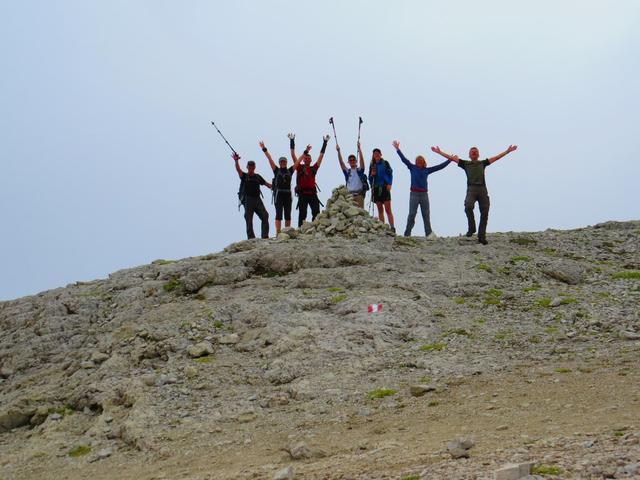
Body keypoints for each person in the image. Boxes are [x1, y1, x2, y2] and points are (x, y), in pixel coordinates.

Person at [431, 144, 518, 245]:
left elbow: (497, 157)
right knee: (468, 206)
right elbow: (451, 158)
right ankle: (472, 228)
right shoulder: (465, 163)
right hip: (471, 189)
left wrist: (508, 151)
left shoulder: (483, 163)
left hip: (482, 189)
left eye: (475, 151)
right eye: (472, 152)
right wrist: (439, 152)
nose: (474, 153)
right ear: (469, 155)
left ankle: (482, 237)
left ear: (478, 154)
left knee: (485, 212)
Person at [392, 140, 453, 237]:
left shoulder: (427, 170)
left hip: (424, 195)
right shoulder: (412, 167)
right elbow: (404, 159)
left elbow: (439, 167)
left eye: (420, 161)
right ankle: (407, 233)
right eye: (417, 161)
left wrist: (449, 160)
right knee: (412, 214)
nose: (418, 162)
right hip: (414, 194)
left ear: (423, 162)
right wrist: (397, 149)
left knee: (426, 215)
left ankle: (428, 233)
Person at [290, 133, 329, 226]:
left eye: (309, 158)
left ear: (311, 160)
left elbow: (321, 156)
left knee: (316, 212)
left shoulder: (313, 169)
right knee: (302, 214)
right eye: (305, 158)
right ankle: (300, 230)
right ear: (303, 160)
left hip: (312, 194)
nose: (307, 159)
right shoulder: (299, 168)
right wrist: (292, 141)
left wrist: (325, 143)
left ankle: (314, 229)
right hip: (302, 194)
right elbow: (293, 155)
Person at [233, 152, 272, 239]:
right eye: (249, 166)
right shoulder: (244, 176)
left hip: (257, 199)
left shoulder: (258, 177)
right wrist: (236, 161)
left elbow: (267, 184)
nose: (251, 167)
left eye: (252, 166)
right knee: (249, 219)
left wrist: (275, 186)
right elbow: (238, 170)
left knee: (265, 216)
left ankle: (265, 236)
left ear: (254, 167)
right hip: (248, 200)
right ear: (247, 167)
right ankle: (251, 238)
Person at [259, 140, 293, 234]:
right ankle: (278, 232)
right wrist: (264, 149)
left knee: (288, 214)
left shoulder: (290, 170)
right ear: (279, 163)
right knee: (278, 213)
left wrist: (305, 152)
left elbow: (298, 162)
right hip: (278, 194)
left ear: (286, 162)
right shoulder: (276, 170)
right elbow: (270, 159)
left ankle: (287, 232)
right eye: (281, 162)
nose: (283, 163)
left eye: (284, 161)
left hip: (287, 194)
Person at [368, 147, 395, 232]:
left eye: (378, 153)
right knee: (380, 209)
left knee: (388, 209)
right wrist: (372, 175)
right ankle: (383, 228)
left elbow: (390, 173)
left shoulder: (385, 163)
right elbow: (370, 179)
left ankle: (392, 227)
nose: (376, 154)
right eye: (375, 153)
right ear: (373, 155)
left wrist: (390, 183)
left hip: (384, 187)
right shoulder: (372, 165)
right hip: (376, 188)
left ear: (380, 154)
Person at [336, 141, 368, 208]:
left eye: (353, 160)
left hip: (359, 195)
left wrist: (359, 149)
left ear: (356, 161)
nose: (352, 161)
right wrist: (338, 151)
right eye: (350, 160)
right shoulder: (348, 172)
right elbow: (341, 163)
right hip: (349, 196)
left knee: (360, 215)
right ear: (348, 162)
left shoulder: (359, 171)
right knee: (350, 215)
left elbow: (362, 161)